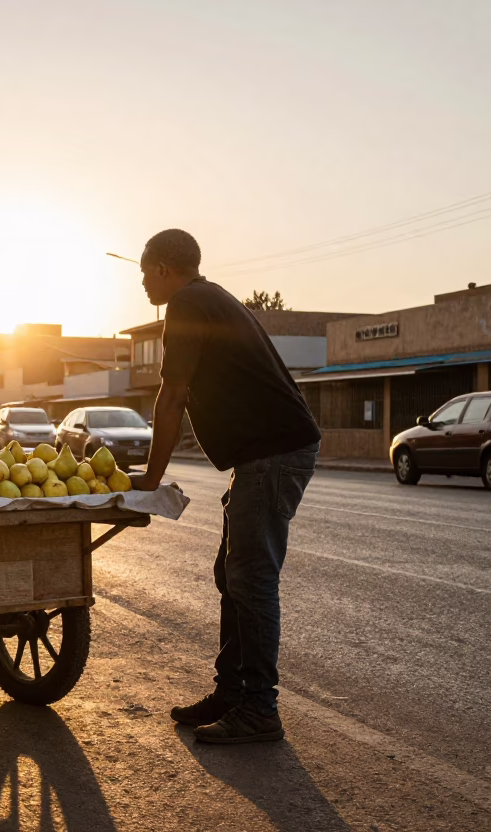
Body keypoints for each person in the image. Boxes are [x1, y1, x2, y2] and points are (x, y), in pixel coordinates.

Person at [132, 229, 320, 744]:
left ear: (165, 268)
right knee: (230, 574)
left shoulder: (189, 303)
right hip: (265, 454)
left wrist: (149, 479)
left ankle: (259, 708)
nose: (143, 283)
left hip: (272, 455)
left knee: (251, 578)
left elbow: (171, 398)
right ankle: (232, 692)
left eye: (145, 272)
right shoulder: (208, 298)